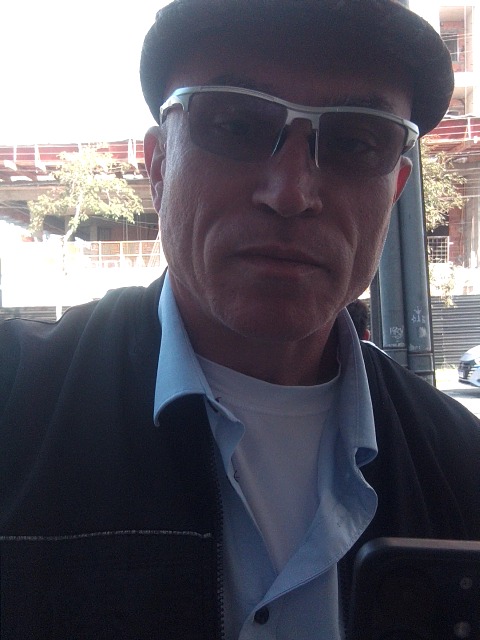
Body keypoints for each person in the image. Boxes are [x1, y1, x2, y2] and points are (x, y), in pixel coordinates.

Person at [1, 1, 479, 638]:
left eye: (355, 142)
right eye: (234, 126)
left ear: (394, 187)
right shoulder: (15, 399)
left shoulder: (461, 465)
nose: (290, 193)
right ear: (158, 166)